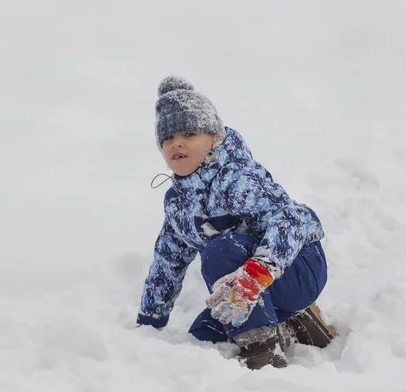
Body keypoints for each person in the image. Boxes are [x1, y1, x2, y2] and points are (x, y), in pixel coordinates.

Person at [137, 76, 336, 370]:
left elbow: (290, 221)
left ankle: (263, 351)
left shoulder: (236, 178)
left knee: (219, 251)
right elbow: (168, 262)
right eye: (167, 138)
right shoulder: (178, 204)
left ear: (215, 138)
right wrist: (149, 325)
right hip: (253, 283)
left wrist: (257, 274)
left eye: (189, 133)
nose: (176, 142)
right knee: (206, 337)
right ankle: (296, 325)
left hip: (298, 264)